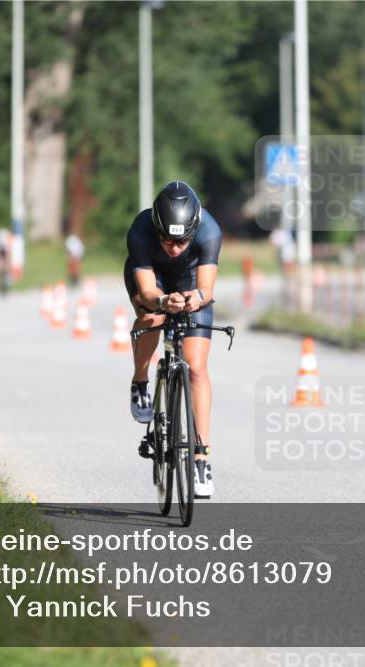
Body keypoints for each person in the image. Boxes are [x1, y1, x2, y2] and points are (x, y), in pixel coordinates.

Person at [124, 181, 221, 497]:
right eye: (167, 240)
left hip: (190, 279)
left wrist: (197, 298)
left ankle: (200, 458)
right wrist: (164, 302)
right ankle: (140, 381)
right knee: (152, 318)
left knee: (195, 367)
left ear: (194, 230)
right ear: (156, 228)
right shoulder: (140, 231)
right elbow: (149, 291)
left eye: (182, 241)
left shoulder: (209, 230)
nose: (175, 247)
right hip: (154, 279)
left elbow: (207, 288)